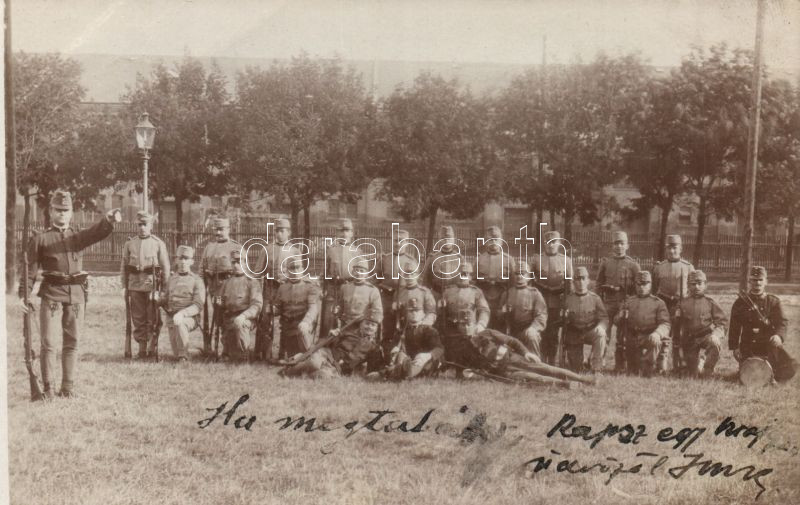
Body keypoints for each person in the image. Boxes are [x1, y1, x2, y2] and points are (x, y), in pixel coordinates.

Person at [19, 191, 120, 398]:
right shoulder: (41, 239)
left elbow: (96, 232)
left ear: (71, 212)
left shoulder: (77, 237)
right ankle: (48, 388)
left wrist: (108, 220)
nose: (62, 214)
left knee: (72, 342)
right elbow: (30, 272)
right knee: (49, 343)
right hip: (52, 295)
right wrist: (24, 295)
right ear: (51, 211)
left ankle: (67, 388)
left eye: (66, 210)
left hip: (76, 296)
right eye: (58, 210)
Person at [121, 210, 170, 359]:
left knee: (153, 317)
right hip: (135, 285)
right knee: (138, 318)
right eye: (139, 224)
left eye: (145, 224)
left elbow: (165, 268)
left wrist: (163, 290)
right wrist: (124, 286)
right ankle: (142, 349)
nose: (142, 227)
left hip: (152, 286)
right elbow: (124, 266)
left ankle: (152, 347)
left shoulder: (158, 243)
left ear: (151, 226)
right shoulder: (130, 244)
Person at [729, 266, 790, 381]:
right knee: (748, 376)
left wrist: (778, 336)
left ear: (766, 281)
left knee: (778, 375)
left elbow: (782, 322)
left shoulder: (773, 302)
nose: (757, 283)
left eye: (760, 280)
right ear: (749, 281)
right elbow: (734, 327)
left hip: (768, 345)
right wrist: (735, 347)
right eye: (754, 280)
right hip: (748, 345)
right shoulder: (740, 303)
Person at [252, 218, 301, 361]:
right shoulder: (267, 249)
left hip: (287, 290)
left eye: (282, 231)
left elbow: (299, 274)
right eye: (277, 231)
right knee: (265, 320)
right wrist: (257, 292)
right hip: (270, 289)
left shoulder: (295, 251)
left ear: (288, 232)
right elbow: (257, 273)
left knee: (287, 321)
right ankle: (264, 353)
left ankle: (284, 354)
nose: (279, 234)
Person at [596, 231, 641, 373]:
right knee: (604, 333)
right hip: (608, 303)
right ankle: (599, 362)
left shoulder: (633, 265)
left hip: (624, 304)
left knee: (623, 335)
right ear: (612, 246)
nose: (619, 246)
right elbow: (598, 284)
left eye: (622, 243)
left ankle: (620, 364)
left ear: (627, 246)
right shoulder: (605, 263)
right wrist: (598, 302)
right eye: (616, 243)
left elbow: (639, 287)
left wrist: (632, 304)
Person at [280, 316, 382, 379]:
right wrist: (332, 335)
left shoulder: (374, 348)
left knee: (323, 376)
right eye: (367, 323)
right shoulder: (347, 333)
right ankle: (287, 372)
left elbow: (372, 371)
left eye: (373, 325)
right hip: (326, 355)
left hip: (336, 368)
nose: (369, 327)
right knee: (314, 364)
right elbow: (325, 343)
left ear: (376, 329)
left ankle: (301, 368)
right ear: (361, 325)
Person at [613, 271, 670, 377]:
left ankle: (647, 365)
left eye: (645, 284)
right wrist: (620, 316)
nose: (641, 287)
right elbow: (616, 321)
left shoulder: (658, 303)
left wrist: (657, 333)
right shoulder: (628, 302)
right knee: (632, 371)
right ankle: (630, 365)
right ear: (635, 285)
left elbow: (665, 323)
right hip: (632, 336)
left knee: (656, 342)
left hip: (648, 336)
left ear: (650, 284)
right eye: (638, 284)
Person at [652, 234, 694, 372]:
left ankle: (678, 365)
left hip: (680, 304)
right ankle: (661, 364)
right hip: (663, 303)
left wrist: (686, 304)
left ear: (680, 249)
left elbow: (693, 289)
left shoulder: (688, 267)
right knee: (664, 334)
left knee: (679, 335)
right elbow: (654, 288)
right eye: (669, 248)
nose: (672, 251)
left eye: (675, 248)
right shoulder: (659, 267)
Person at [199, 217, 240, 357]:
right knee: (219, 317)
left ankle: (228, 349)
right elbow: (201, 270)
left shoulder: (236, 247)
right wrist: (202, 287)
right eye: (216, 229)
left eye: (221, 229)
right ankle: (221, 347)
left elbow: (243, 271)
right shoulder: (209, 247)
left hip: (230, 289)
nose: (218, 232)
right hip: (215, 290)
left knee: (229, 316)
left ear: (228, 229)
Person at [531, 230, 573, 365]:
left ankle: (552, 360)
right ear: (544, 243)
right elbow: (530, 281)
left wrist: (566, 304)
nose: (550, 245)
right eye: (548, 242)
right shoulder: (537, 259)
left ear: (559, 243)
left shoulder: (566, 260)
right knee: (541, 330)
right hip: (540, 301)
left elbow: (569, 285)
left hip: (557, 301)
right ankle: (542, 359)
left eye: (554, 242)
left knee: (554, 332)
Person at [675, 270, 725, 378]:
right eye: (693, 284)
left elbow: (721, 322)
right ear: (688, 286)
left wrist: (716, 335)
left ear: (705, 285)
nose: (696, 287)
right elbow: (677, 325)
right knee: (692, 375)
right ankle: (699, 363)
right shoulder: (682, 303)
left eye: (699, 283)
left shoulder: (710, 302)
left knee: (714, 343)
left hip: (706, 337)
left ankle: (708, 369)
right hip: (690, 339)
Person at [377, 228, 420, 349]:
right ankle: (385, 352)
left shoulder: (411, 260)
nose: (398, 243)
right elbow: (376, 280)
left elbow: (415, 282)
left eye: (401, 241)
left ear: (407, 243)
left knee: (404, 327)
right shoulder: (384, 259)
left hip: (404, 298)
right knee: (386, 328)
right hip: (387, 298)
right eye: (395, 240)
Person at [160, 245, 205, 361]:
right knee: (176, 353)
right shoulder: (171, 279)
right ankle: (182, 353)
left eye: (186, 259)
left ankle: (183, 358)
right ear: (176, 260)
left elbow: (198, 305)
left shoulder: (197, 280)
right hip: (172, 318)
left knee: (181, 325)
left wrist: (182, 314)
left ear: (192, 261)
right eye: (180, 258)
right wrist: (157, 299)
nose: (183, 262)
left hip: (190, 318)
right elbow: (165, 298)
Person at [383, 298, 445, 380]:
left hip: (423, 361)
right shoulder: (401, 331)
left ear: (423, 314)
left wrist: (427, 355)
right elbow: (393, 347)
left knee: (421, 366)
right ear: (406, 314)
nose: (414, 314)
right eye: (411, 311)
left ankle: (398, 372)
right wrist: (394, 350)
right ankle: (402, 371)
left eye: (417, 311)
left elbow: (439, 348)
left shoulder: (430, 330)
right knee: (400, 355)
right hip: (407, 359)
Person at [218, 250, 263, 361]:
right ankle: (228, 352)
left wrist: (243, 316)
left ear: (245, 263)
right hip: (229, 317)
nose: (236, 265)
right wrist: (218, 302)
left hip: (245, 317)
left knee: (240, 325)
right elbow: (221, 299)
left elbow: (256, 305)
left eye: (239, 261)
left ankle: (244, 356)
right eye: (233, 262)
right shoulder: (227, 282)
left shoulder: (252, 282)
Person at [562, 266, 609, 373]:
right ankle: (582, 362)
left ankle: (596, 367)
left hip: (590, 331)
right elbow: (563, 320)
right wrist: (564, 316)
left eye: (583, 278)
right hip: (574, 333)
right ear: (574, 282)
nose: (581, 282)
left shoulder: (595, 298)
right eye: (578, 279)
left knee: (601, 335)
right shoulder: (567, 299)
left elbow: (604, 317)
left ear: (588, 280)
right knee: (576, 369)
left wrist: (601, 327)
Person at [275, 258, 322, 360]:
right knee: (291, 358)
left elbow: (313, 308)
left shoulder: (310, 287)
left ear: (302, 268)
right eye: (292, 268)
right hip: (287, 328)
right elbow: (277, 309)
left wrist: (306, 322)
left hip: (302, 327)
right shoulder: (282, 288)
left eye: (298, 267)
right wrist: (271, 309)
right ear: (287, 270)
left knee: (305, 358)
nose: (295, 271)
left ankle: (309, 355)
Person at [499, 261, 547, 358]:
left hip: (527, 330)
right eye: (517, 273)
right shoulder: (507, 293)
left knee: (532, 336)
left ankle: (535, 364)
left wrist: (533, 328)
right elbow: (498, 316)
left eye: (523, 273)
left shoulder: (535, 293)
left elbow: (541, 315)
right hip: (511, 331)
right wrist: (502, 312)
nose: (519, 276)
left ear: (528, 276)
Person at [320, 218, 359, 336]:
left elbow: (361, 273)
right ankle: (327, 344)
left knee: (347, 319)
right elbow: (324, 272)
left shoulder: (357, 251)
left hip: (349, 288)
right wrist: (323, 288)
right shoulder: (331, 250)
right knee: (329, 319)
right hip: (333, 288)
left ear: (352, 233)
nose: (344, 234)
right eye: (341, 231)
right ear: (337, 233)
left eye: (347, 231)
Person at [476, 225, 516, 331]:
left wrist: (508, 302)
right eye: (490, 239)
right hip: (484, 299)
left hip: (501, 300)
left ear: (501, 241)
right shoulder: (479, 259)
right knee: (484, 330)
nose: (493, 242)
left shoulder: (509, 260)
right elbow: (473, 283)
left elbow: (513, 284)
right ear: (486, 241)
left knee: (501, 331)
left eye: (496, 239)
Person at [438, 262, 490, 340]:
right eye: (461, 274)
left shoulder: (476, 292)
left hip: (469, 329)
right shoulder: (448, 291)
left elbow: (484, 310)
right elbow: (440, 312)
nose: (462, 277)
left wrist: (481, 324)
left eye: (466, 274)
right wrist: (440, 307)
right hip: (451, 329)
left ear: (470, 277)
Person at [339, 258, 383, 327]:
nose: (358, 273)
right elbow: (339, 307)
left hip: (363, 327)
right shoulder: (344, 288)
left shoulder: (373, 290)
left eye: (362, 271)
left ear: (366, 274)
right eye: (356, 270)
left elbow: (377, 313)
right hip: (345, 325)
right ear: (352, 272)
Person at [423, 225, 464, 299]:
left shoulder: (460, 258)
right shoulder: (432, 258)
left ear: (453, 239)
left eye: (449, 238)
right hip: (436, 294)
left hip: (454, 295)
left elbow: (464, 280)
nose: (446, 241)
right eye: (443, 238)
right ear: (439, 240)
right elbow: (426, 280)